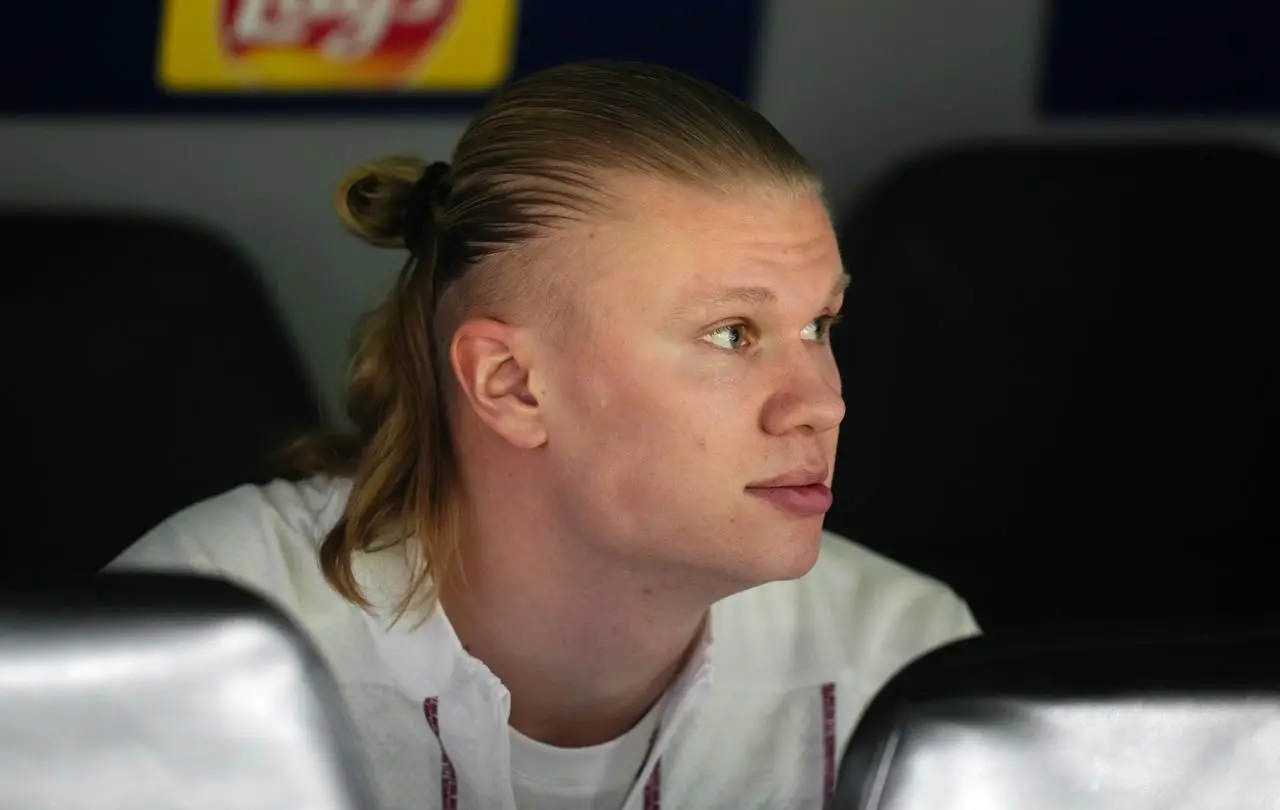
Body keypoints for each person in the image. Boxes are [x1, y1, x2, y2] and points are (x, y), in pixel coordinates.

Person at [108, 60, 978, 810]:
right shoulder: (200, 638)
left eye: (819, 325)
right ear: (513, 386)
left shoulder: (900, 656)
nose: (821, 403)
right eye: (732, 334)